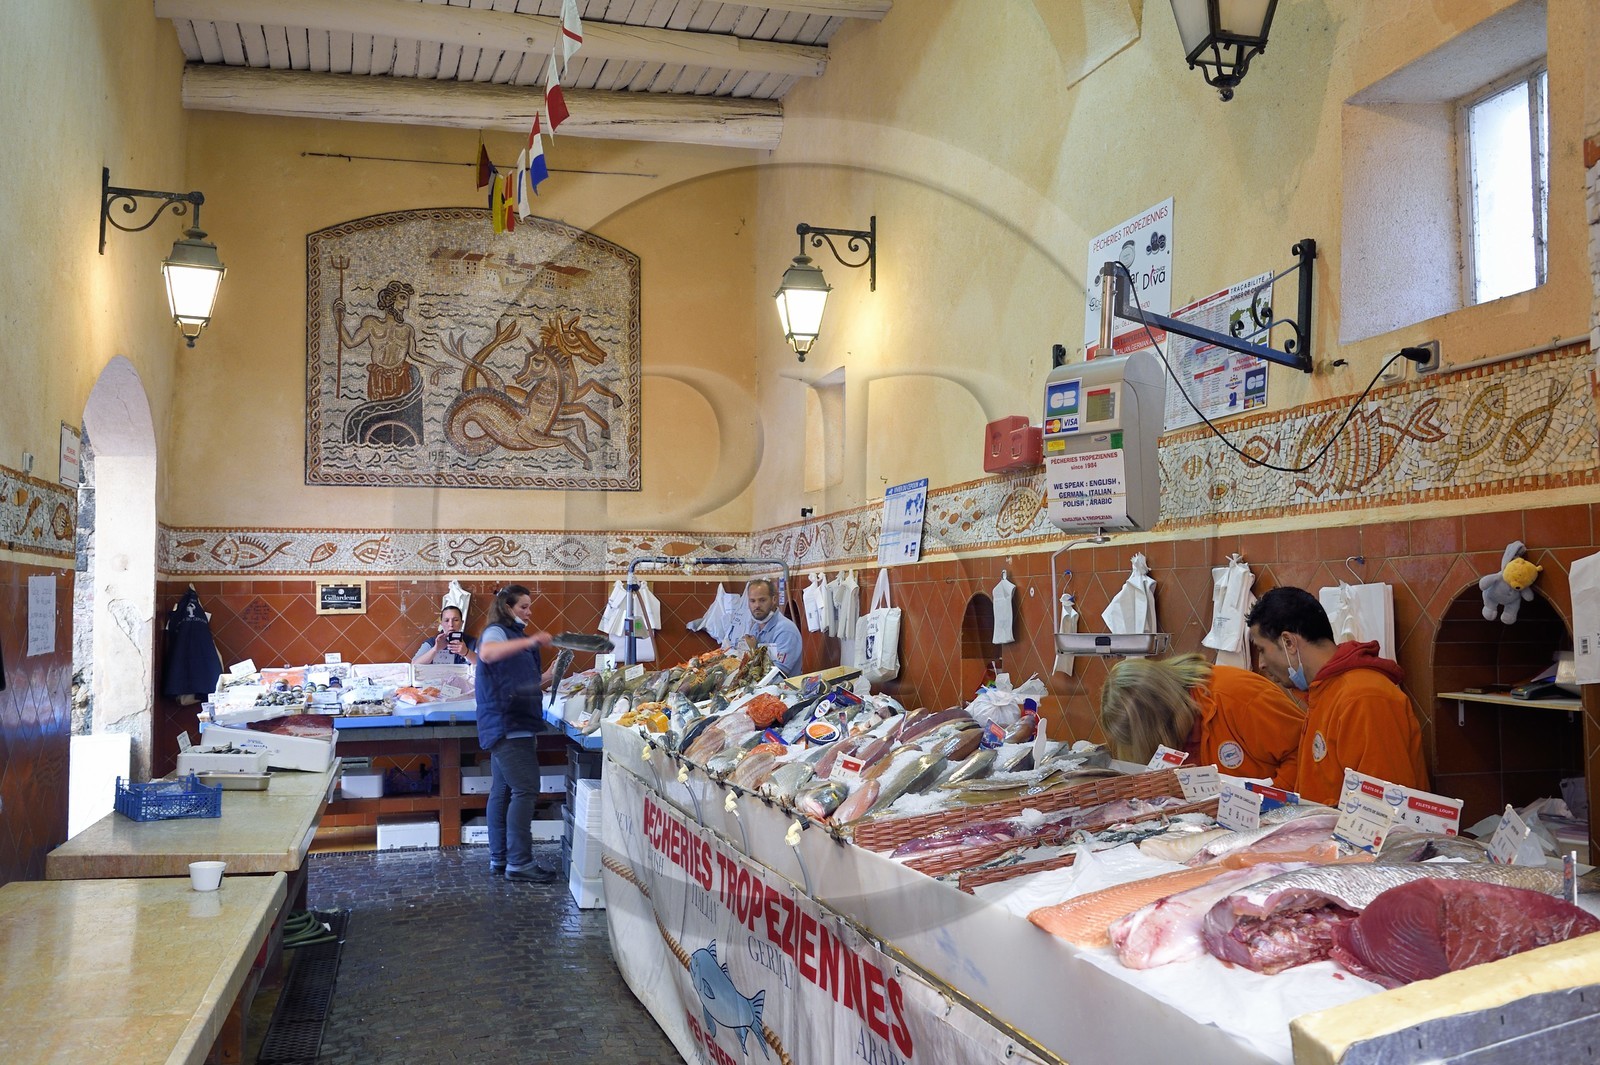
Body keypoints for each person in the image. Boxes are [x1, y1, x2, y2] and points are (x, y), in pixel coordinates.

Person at [1246, 586, 1428, 805]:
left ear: (1288, 642)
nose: (1262, 664)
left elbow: (1382, 810)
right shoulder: (1323, 691)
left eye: (1262, 650)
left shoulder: (1364, 697)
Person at [1098, 654, 1304, 788]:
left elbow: (1303, 754)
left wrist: (1272, 802)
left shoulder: (1237, 695)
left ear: (1163, 717)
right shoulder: (1174, 718)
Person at [475, 584, 558, 881]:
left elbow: (522, 684)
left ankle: (500, 858)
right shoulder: (496, 632)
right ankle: (520, 863)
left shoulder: (517, 638)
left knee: (503, 790)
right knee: (525, 790)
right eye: (523, 606)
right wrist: (531, 642)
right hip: (508, 724)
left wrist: (548, 677)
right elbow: (487, 653)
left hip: (515, 722)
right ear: (507, 607)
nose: (529, 612)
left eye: (529, 606)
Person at [726, 578, 803, 676]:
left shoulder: (786, 630)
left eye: (762, 600)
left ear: (774, 599)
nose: (757, 605)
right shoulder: (755, 628)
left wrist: (753, 651)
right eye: (752, 601)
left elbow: (777, 675)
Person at [413, 604, 478, 666]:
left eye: (455, 620)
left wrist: (466, 652)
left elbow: (485, 665)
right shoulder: (432, 642)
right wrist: (435, 649)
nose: (451, 624)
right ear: (441, 623)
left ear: (462, 623)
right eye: (446, 620)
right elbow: (414, 664)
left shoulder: (473, 643)